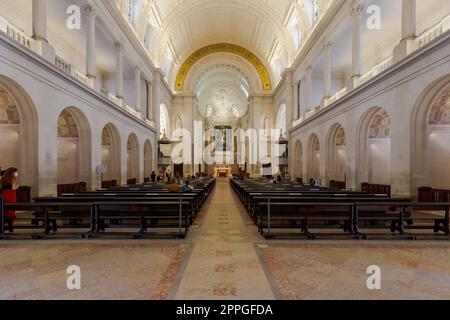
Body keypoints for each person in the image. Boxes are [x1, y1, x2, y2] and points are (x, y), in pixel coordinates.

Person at [1, 167, 19, 232]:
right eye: (16, 172)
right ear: (12, 173)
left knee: (5, 210)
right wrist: (17, 185)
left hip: (4, 195)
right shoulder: (13, 179)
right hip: (11, 195)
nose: (17, 173)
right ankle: (10, 227)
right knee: (11, 209)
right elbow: (14, 188)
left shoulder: (2, 179)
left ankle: (4, 224)